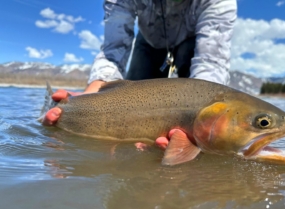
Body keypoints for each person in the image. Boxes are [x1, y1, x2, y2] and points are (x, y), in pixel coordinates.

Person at [42, 0, 237, 149]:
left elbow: (211, 63)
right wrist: (90, 99)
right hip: (148, 43)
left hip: (192, 43)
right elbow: (114, 51)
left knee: (198, 119)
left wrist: (203, 127)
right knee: (129, 100)